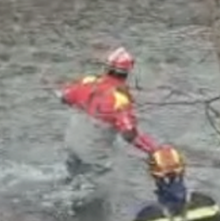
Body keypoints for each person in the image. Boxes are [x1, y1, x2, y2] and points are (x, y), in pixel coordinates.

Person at [58, 45, 158, 205]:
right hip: (93, 152)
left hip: (71, 142)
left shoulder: (88, 82)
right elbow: (129, 135)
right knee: (97, 189)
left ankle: (66, 199)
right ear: (127, 73)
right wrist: (153, 150)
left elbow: (65, 98)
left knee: (73, 178)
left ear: (107, 67)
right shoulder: (120, 99)